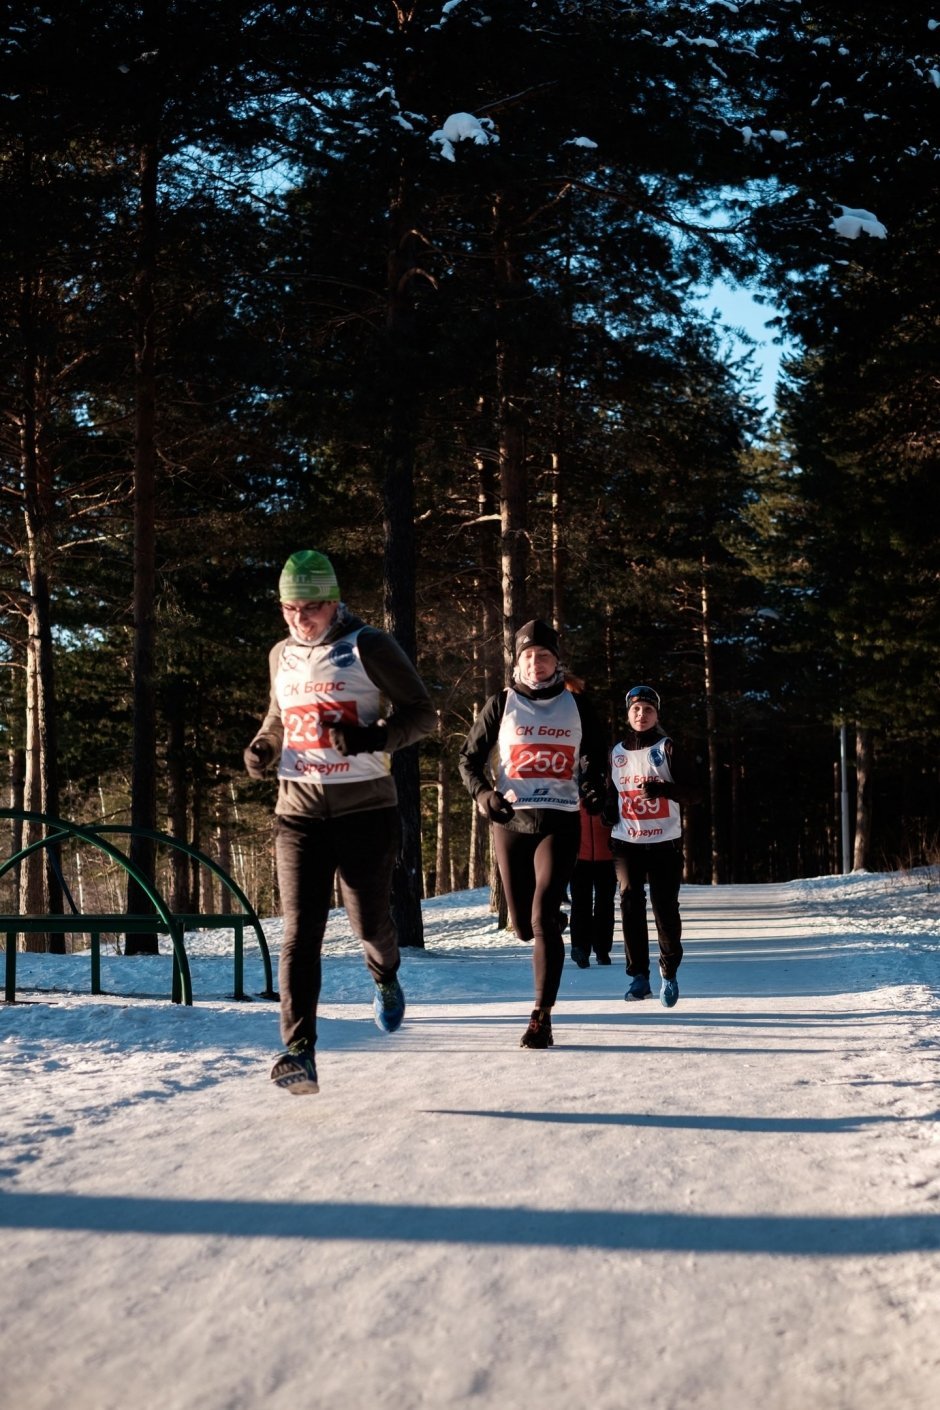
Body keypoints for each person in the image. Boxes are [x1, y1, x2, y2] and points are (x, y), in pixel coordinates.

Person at [244, 550, 436, 1094]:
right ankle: (299, 1050)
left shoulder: (369, 645)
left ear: (334, 603)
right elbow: (279, 716)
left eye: (311, 608)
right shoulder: (281, 653)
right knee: (300, 933)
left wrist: (374, 737)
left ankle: (386, 976)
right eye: (290, 609)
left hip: (365, 811)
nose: (300, 619)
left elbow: (422, 714)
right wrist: (263, 747)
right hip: (297, 813)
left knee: (368, 924)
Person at [458, 620, 608, 1049]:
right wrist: (484, 796)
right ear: (518, 661)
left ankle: (541, 1016)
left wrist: (594, 785)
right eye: (528, 656)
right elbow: (468, 758)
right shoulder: (501, 703)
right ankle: (547, 925)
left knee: (542, 920)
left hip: (560, 820)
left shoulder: (577, 704)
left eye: (544, 655)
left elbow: (596, 755)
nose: (536, 663)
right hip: (511, 822)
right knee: (523, 927)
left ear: (557, 661)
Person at [607, 685, 702, 1008]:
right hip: (626, 841)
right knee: (630, 902)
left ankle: (669, 971)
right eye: (636, 710)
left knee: (664, 908)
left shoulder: (668, 748)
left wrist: (665, 790)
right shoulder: (616, 752)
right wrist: (605, 809)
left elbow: (695, 792)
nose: (641, 715)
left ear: (657, 715)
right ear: (627, 714)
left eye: (648, 710)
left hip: (665, 842)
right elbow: (609, 794)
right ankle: (638, 977)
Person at [569, 800, 616, 968]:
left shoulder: (608, 783)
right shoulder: (572, 783)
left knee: (605, 904)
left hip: (608, 855)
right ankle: (580, 949)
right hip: (579, 858)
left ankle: (602, 950)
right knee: (580, 903)